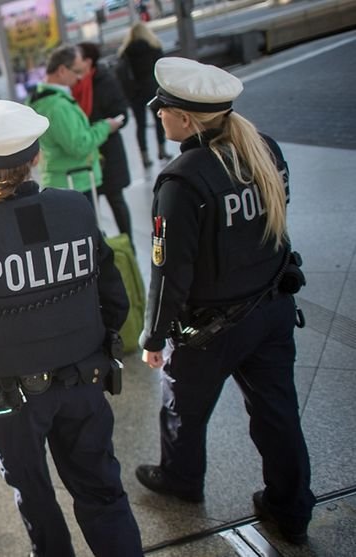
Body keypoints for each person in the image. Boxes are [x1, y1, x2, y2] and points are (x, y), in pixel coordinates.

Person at [0, 101, 142, 557]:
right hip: (84, 381)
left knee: (36, 498)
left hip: (12, 400)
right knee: (102, 491)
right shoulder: (76, 209)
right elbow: (115, 301)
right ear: (37, 158)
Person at [135, 57, 315, 545]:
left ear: (186, 119)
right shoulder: (264, 151)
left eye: (163, 108)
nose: (157, 114)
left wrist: (153, 337)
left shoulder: (182, 180)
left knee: (182, 410)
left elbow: (170, 272)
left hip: (211, 330)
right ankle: (292, 509)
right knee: (278, 414)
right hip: (272, 310)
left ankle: (181, 481)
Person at [29, 45, 122, 202]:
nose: (80, 77)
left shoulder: (41, 99)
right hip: (74, 180)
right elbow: (79, 146)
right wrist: (105, 127)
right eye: (77, 71)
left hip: (62, 179)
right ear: (62, 70)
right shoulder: (57, 106)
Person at [73, 42, 134, 241]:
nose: (73, 60)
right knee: (90, 207)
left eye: (77, 57)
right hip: (86, 155)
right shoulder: (71, 86)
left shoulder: (105, 80)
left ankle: (129, 246)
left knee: (116, 199)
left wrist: (105, 126)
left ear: (88, 61)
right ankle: (100, 251)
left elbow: (122, 112)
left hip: (109, 151)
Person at [118, 22, 170, 168]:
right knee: (159, 120)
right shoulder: (154, 47)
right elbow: (162, 68)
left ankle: (144, 156)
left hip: (135, 93)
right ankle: (162, 150)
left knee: (140, 125)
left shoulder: (125, 52)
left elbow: (122, 73)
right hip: (153, 89)